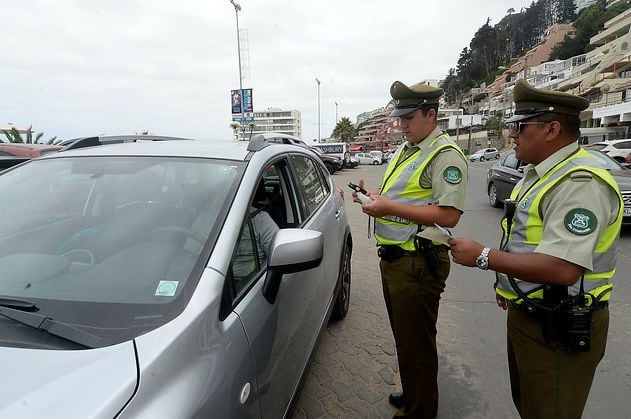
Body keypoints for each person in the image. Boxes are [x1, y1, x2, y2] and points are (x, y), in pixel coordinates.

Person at [448, 79, 623, 419]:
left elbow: (562, 268)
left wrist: (484, 257)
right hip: (532, 312)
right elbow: (525, 240)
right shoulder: (540, 174)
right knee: (531, 407)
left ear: (552, 129)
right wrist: (511, 285)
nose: (512, 135)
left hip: (560, 324)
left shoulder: (580, 183)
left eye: (520, 126)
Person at [357, 80, 468, 418]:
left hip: (417, 261)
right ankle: (413, 393)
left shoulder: (444, 154)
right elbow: (402, 195)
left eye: (409, 117)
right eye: (399, 118)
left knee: (417, 344)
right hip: (396, 259)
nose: (401, 124)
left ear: (431, 114)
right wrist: (374, 197)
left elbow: (450, 215)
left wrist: (387, 208)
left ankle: (420, 411)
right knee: (406, 339)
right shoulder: (409, 148)